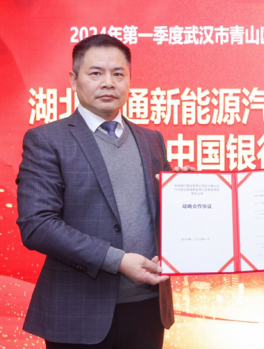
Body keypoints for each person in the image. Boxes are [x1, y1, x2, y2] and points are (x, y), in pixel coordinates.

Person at [16, 34, 180, 348]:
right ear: (73, 79)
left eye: (118, 74)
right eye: (96, 73)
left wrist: (186, 192)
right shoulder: (47, 140)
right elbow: (37, 225)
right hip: (77, 312)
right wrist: (117, 260)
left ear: (129, 80)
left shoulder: (151, 140)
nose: (108, 83)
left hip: (147, 308)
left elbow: (163, 214)